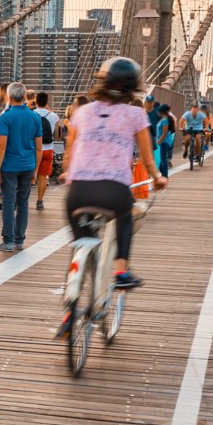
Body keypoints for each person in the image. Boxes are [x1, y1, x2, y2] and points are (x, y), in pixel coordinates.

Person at [62, 56, 163, 294]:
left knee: (81, 240)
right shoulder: (136, 115)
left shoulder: (83, 111)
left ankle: (72, 298)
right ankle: (121, 272)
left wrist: (68, 171)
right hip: (114, 191)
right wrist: (157, 178)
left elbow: (70, 152)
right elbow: (148, 160)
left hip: (77, 192)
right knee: (124, 216)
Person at [0, 83, 48, 253]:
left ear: (9, 97)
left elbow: (1, 145)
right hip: (28, 165)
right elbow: (39, 147)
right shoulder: (35, 117)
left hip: (9, 166)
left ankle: (8, 241)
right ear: (24, 97)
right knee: (23, 202)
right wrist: (36, 170)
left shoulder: (6, 117)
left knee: (9, 202)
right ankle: (19, 240)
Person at [32, 89, 61, 210]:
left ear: (36, 101)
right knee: (43, 177)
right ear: (47, 102)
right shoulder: (53, 116)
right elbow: (58, 131)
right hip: (48, 149)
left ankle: (21, 200)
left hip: (33, 149)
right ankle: (39, 201)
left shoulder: (32, 114)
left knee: (27, 175)